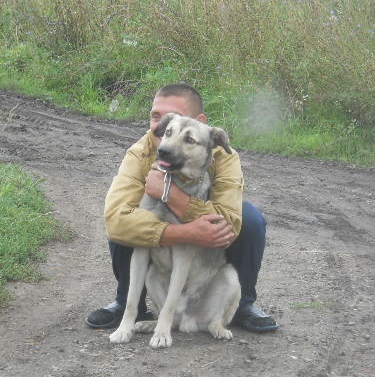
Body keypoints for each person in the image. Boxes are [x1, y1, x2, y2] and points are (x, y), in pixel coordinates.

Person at [86, 83, 279, 333]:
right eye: (156, 117)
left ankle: (242, 304)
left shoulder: (222, 154)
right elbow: (115, 221)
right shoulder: (140, 152)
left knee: (250, 220)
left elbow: (229, 223)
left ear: (200, 122)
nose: (161, 131)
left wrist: (171, 196)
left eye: (183, 132)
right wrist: (183, 233)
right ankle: (127, 303)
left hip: (203, 248)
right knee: (126, 221)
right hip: (163, 246)